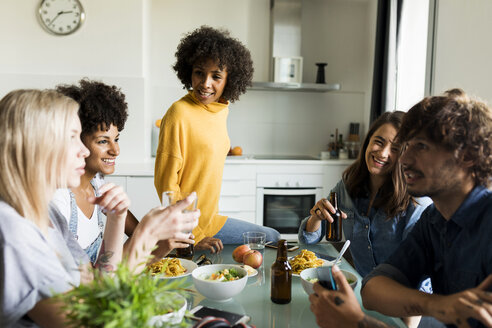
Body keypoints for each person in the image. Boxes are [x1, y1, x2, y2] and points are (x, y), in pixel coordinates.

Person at [0, 89, 199, 327]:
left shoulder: (49, 216)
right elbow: (89, 320)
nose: (83, 151)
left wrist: (116, 219)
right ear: (34, 147)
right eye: (72, 137)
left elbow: (100, 285)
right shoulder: (11, 231)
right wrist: (146, 236)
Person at [359, 89, 492, 327]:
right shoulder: (434, 220)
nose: (404, 160)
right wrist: (437, 304)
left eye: (421, 146)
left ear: (469, 156)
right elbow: (372, 290)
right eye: (406, 146)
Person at [154, 26, 280, 253]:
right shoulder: (179, 112)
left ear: (229, 80)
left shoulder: (220, 109)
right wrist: (191, 236)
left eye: (216, 76)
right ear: (188, 72)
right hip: (190, 227)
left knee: (271, 239)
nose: (205, 83)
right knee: (271, 239)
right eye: (199, 73)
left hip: (210, 218)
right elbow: (166, 186)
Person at [53, 79, 192, 264]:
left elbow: (138, 235)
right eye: (103, 141)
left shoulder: (97, 185)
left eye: (116, 139)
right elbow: (94, 283)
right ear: (75, 140)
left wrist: (166, 238)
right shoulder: (59, 200)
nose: (115, 150)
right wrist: (153, 241)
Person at [298, 111, 431, 278]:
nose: (382, 153)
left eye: (395, 148)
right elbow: (308, 241)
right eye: (379, 142)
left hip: (404, 296)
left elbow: (416, 269)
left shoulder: (418, 201)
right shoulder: (346, 186)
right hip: (362, 289)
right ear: (368, 141)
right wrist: (316, 218)